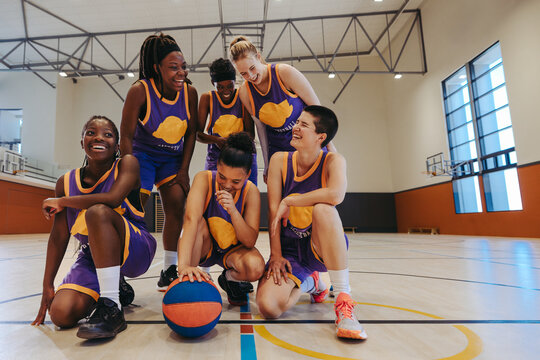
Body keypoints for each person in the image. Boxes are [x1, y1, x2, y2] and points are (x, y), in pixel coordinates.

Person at [32, 116, 157, 340]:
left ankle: (112, 307)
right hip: (94, 254)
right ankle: (114, 285)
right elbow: (59, 236)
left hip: (136, 247)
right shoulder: (65, 182)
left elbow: (113, 198)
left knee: (97, 212)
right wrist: (47, 285)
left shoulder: (128, 164)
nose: (99, 137)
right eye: (91, 132)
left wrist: (63, 201)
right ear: (82, 142)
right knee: (61, 314)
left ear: (117, 146)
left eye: (107, 134)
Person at [255, 106, 367, 340]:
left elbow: (336, 195)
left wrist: (293, 200)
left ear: (321, 137)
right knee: (268, 307)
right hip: (288, 251)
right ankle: (310, 283)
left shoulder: (333, 161)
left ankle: (344, 302)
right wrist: (275, 255)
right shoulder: (279, 160)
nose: (295, 127)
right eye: (297, 122)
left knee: (324, 210)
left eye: (303, 125)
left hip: (319, 248)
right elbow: (273, 213)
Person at [120, 33, 198, 291]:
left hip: (172, 158)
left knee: (176, 204)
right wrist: (128, 172)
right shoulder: (140, 91)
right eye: (173, 68)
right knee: (134, 207)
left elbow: (190, 134)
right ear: (157, 68)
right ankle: (118, 271)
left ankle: (169, 268)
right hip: (142, 155)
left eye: (183, 67)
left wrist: (184, 170)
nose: (181, 73)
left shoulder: (190, 93)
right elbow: (126, 136)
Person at [229, 36, 336, 182]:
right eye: (244, 74)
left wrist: (330, 147)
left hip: (308, 142)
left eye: (252, 68)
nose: (251, 76)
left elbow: (318, 111)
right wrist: (267, 164)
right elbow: (261, 129)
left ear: (259, 57)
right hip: (279, 147)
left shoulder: (284, 73)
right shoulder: (244, 93)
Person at [177, 132, 265, 306]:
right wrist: (183, 266)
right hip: (205, 247)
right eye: (222, 176)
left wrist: (233, 211)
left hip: (233, 251)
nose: (227, 185)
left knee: (255, 267)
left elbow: (249, 241)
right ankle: (189, 278)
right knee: (198, 222)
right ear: (217, 166)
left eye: (236, 181)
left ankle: (229, 279)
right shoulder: (203, 179)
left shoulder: (251, 192)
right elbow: (190, 221)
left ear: (247, 175)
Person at [197, 58, 258, 186]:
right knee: (213, 195)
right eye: (220, 87)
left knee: (248, 195)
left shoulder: (242, 95)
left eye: (230, 86)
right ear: (213, 82)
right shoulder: (207, 98)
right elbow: (197, 134)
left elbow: (250, 134)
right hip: (217, 157)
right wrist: (217, 140)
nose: (226, 91)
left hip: (243, 154)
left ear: (235, 81)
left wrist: (229, 141)